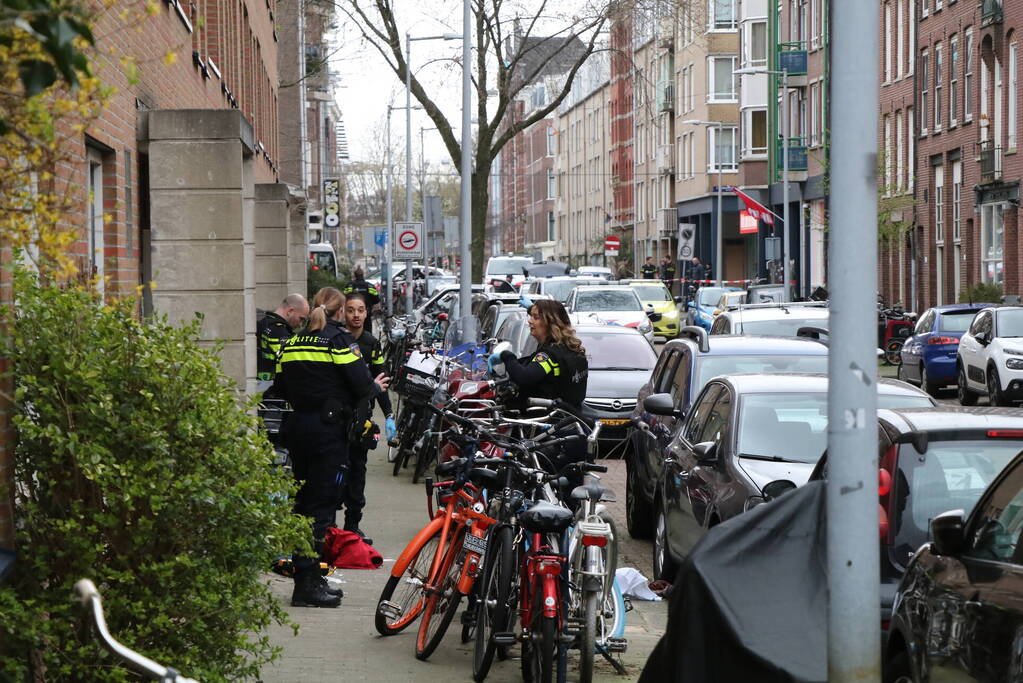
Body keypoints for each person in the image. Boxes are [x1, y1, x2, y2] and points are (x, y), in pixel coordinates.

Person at [273, 287, 389, 608]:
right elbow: (362, 384)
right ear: (340, 312)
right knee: (321, 506)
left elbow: (279, 385)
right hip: (328, 432)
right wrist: (372, 388)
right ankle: (308, 584)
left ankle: (308, 576)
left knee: (302, 503)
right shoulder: (339, 341)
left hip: (297, 429)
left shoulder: (291, 342)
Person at [493, 299, 589, 470]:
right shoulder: (573, 350)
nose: (530, 321)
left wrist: (507, 356)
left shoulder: (549, 355)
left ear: (550, 322)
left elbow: (525, 376)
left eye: (536, 317)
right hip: (572, 427)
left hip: (547, 432)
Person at [338, 293, 395, 545]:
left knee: (358, 472)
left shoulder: (372, 343)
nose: (356, 315)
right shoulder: (337, 340)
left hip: (363, 419)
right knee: (337, 471)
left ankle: (352, 525)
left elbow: (381, 379)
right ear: (343, 313)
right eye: (351, 310)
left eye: (360, 310)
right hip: (339, 416)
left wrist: (390, 414)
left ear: (366, 313)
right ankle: (329, 525)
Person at [257, 294, 309, 385]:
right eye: (301, 319)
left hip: (260, 384)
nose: (301, 324)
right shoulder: (279, 332)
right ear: (290, 311)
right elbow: (293, 363)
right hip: (269, 386)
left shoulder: (263, 323)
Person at [342, 267, 381, 332]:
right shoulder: (370, 286)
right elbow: (376, 300)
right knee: (367, 333)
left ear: (354, 275)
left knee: (351, 333)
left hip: (352, 315)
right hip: (366, 315)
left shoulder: (349, 286)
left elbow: (344, 299)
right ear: (363, 275)